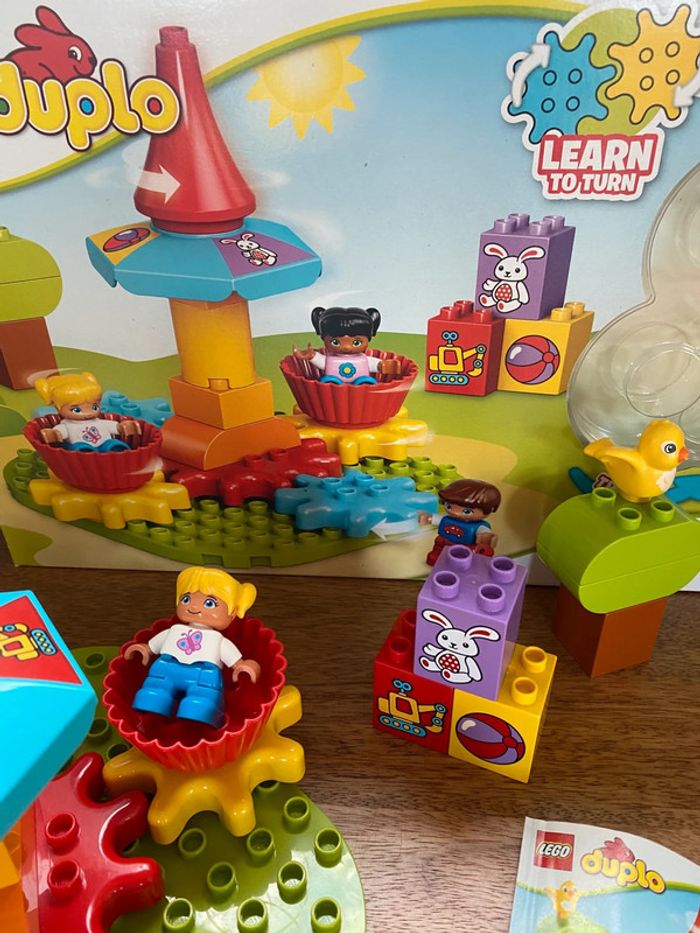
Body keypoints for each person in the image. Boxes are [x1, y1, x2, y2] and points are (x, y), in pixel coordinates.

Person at [125, 566, 260, 728]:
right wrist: (145, 649)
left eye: (209, 603)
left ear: (232, 614)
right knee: (154, 691)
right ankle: (153, 702)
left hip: (204, 675)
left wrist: (242, 666)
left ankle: (201, 712)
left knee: (202, 700)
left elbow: (237, 661)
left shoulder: (217, 640)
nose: (194, 607)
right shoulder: (174, 630)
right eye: (186, 599)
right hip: (166, 667)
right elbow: (153, 645)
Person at [293, 305, 401, 385]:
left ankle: (364, 387)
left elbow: (373, 364)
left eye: (356, 343)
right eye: (335, 342)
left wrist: (382, 365)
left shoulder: (363, 359)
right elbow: (321, 362)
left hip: (361, 380)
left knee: (366, 381)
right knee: (327, 382)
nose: (346, 347)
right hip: (333, 380)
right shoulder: (330, 359)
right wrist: (312, 356)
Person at [35, 371, 141, 452]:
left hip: (104, 444)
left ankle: (116, 454)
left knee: (113, 443)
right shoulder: (67, 425)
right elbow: (60, 433)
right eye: (76, 410)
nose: (88, 413)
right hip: (79, 448)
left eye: (94, 407)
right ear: (58, 408)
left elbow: (112, 427)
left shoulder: (99, 422)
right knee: (79, 447)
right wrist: (54, 434)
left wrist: (122, 427)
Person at [421, 478, 501, 565]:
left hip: (464, 547)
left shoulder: (478, 526)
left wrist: (486, 537)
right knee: (437, 552)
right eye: (449, 506)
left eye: (467, 511)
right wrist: (428, 518)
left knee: (464, 559)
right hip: (443, 543)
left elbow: (484, 531)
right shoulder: (447, 518)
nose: (455, 512)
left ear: (490, 509)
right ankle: (439, 556)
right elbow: (436, 519)